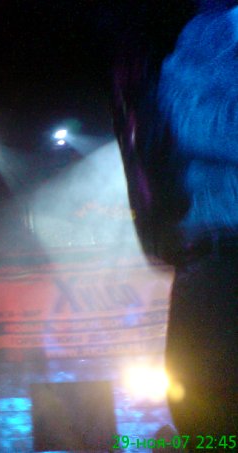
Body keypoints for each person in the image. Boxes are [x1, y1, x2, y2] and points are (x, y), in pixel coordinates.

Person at [112, 0, 238, 446]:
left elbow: (191, 124)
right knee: (208, 415)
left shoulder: (210, 33)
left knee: (208, 414)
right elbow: (190, 123)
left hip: (215, 252)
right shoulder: (213, 33)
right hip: (215, 251)